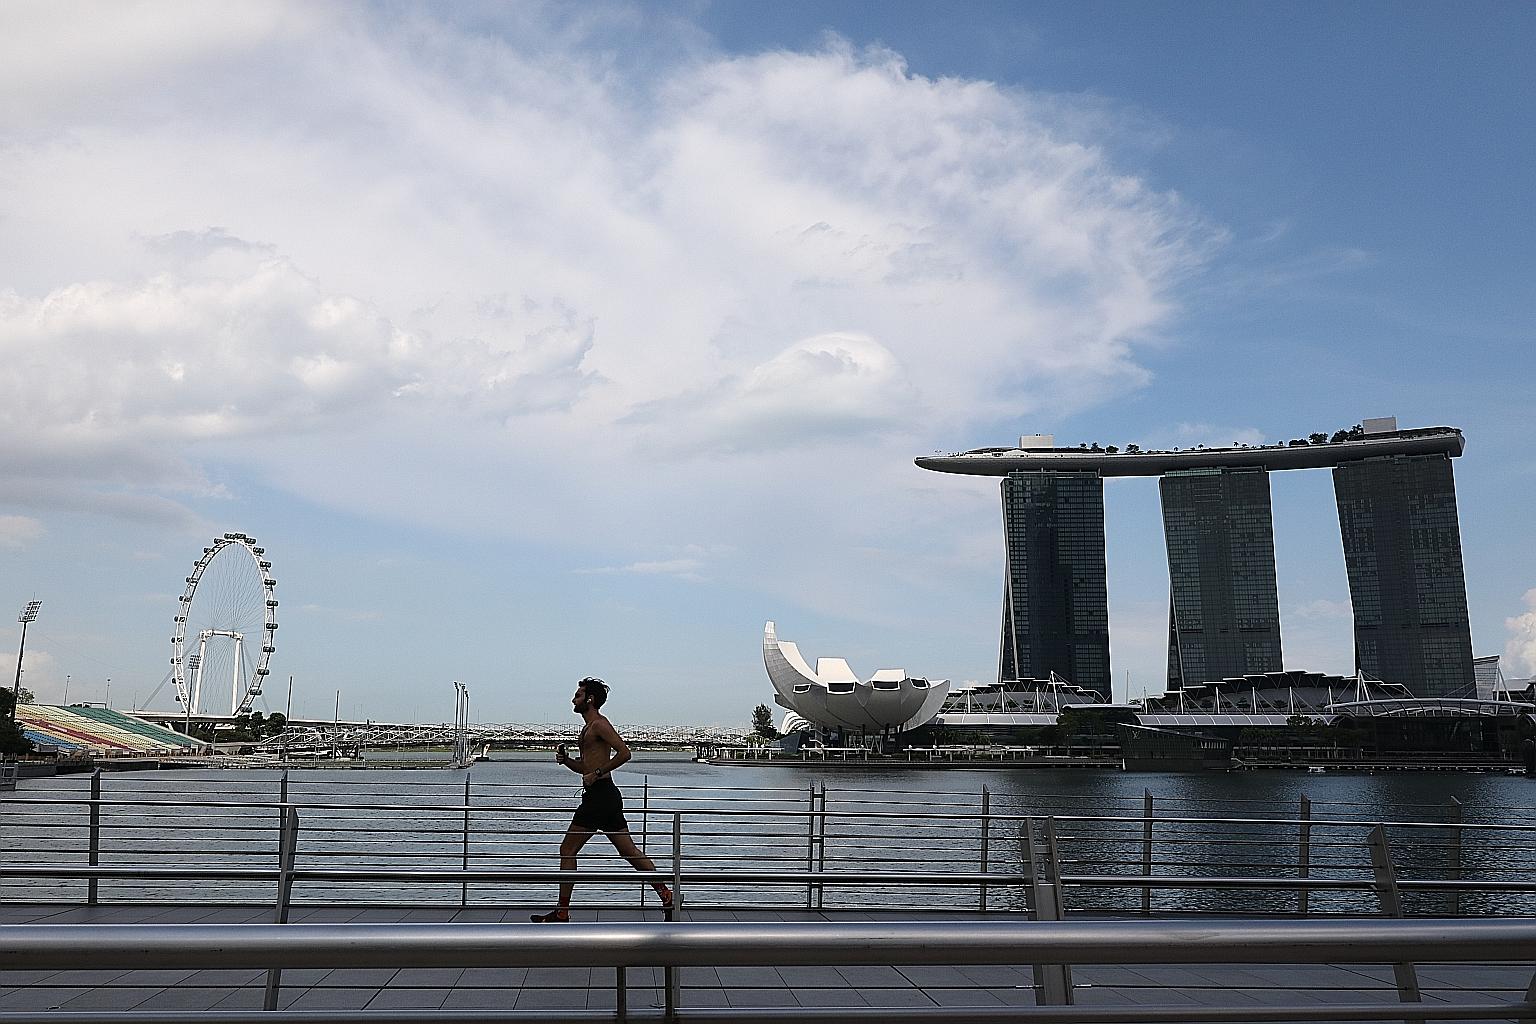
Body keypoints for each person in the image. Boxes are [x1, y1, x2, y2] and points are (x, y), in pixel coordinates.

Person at [531, 676, 673, 922]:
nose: (573, 699)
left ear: (590, 699)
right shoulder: (587, 728)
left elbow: (625, 753)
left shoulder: (599, 724)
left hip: (600, 797)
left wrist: (596, 774)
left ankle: (563, 911)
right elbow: (586, 767)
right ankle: (666, 894)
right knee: (628, 852)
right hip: (603, 796)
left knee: (567, 849)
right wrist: (567, 761)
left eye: (578, 695)